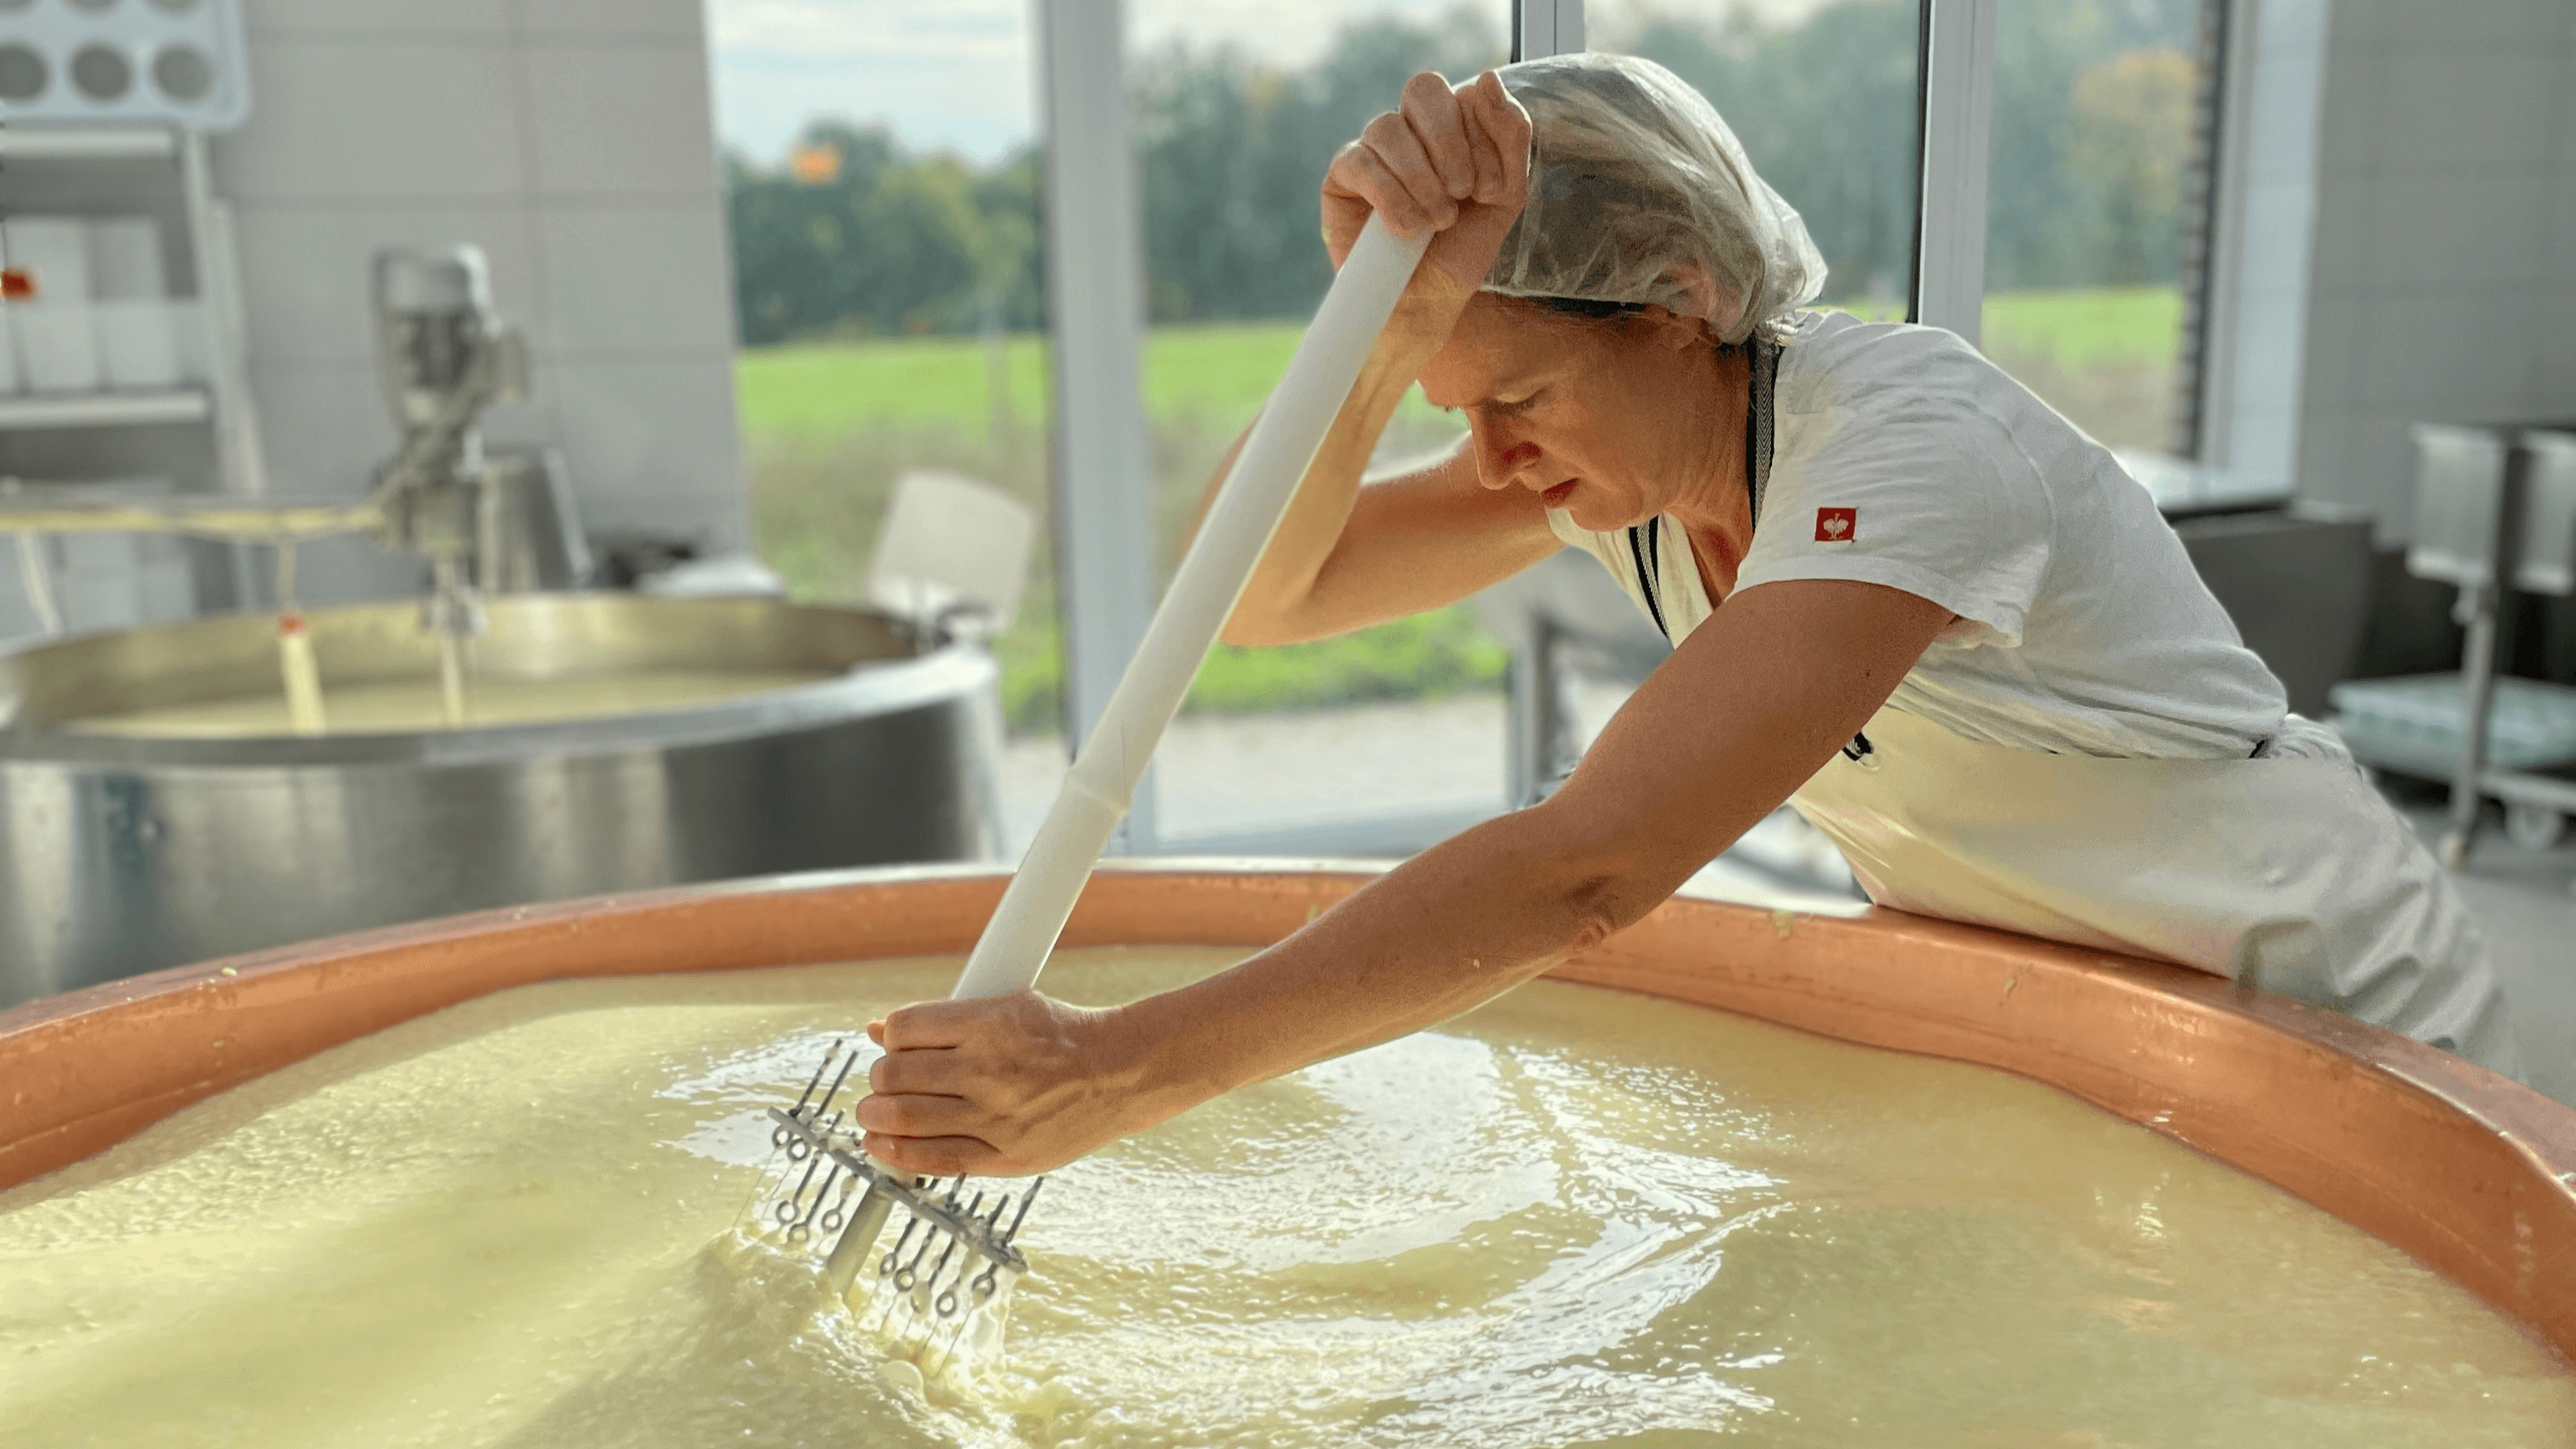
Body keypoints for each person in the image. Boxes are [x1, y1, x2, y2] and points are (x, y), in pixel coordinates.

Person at [854, 55, 2520, 1177]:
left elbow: (1591, 869)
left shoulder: (1910, 447)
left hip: (2341, 1009)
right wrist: (1384, 329)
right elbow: (1259, 598)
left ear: (1680, 302)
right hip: (2082, 1008)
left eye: (1516, 395)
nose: (1492, 457)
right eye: (1456, 409)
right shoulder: (1631, 466)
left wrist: (1116, 1071)